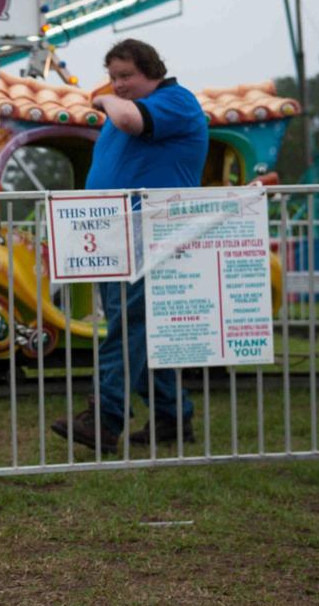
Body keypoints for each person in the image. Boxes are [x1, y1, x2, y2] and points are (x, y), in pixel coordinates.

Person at [52, 39, 208, 453]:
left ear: (153, 71)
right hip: (115, 232)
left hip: (151, 231)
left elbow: (129, 120)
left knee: (128, 327)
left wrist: (103, 97)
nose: (118, 85)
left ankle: (105, 419)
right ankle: (174, 416)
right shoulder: (126, 109)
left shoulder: (176, 101)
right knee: (137, 330)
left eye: (127, 76)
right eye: (113, 77)